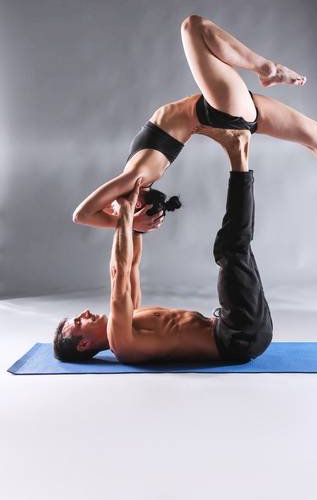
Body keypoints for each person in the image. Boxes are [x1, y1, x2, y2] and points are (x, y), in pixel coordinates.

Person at [72, 15, 317, 236]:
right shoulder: (137, 180)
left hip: (218, 110)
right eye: (119, 209)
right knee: (193, 28)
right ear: (137, 203)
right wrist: (128, 223)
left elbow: (94, 212)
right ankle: (267, 68)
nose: (111, 207)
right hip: (219, 110)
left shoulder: (139, 176)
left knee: (315, 135)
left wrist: (128, 221)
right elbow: (82, 214)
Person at [53, 129, 273, 364]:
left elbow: (131, 266)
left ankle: (240, 155)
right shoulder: (121, 341)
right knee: (230, 248)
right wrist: (125, 211)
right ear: (84, 343)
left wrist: (136, 226)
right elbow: (118, 271)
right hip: (237, 337)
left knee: (236, 247)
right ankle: (238, 153)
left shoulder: (130, 317)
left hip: (237, 327)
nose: (84, 313)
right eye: (79, 322)